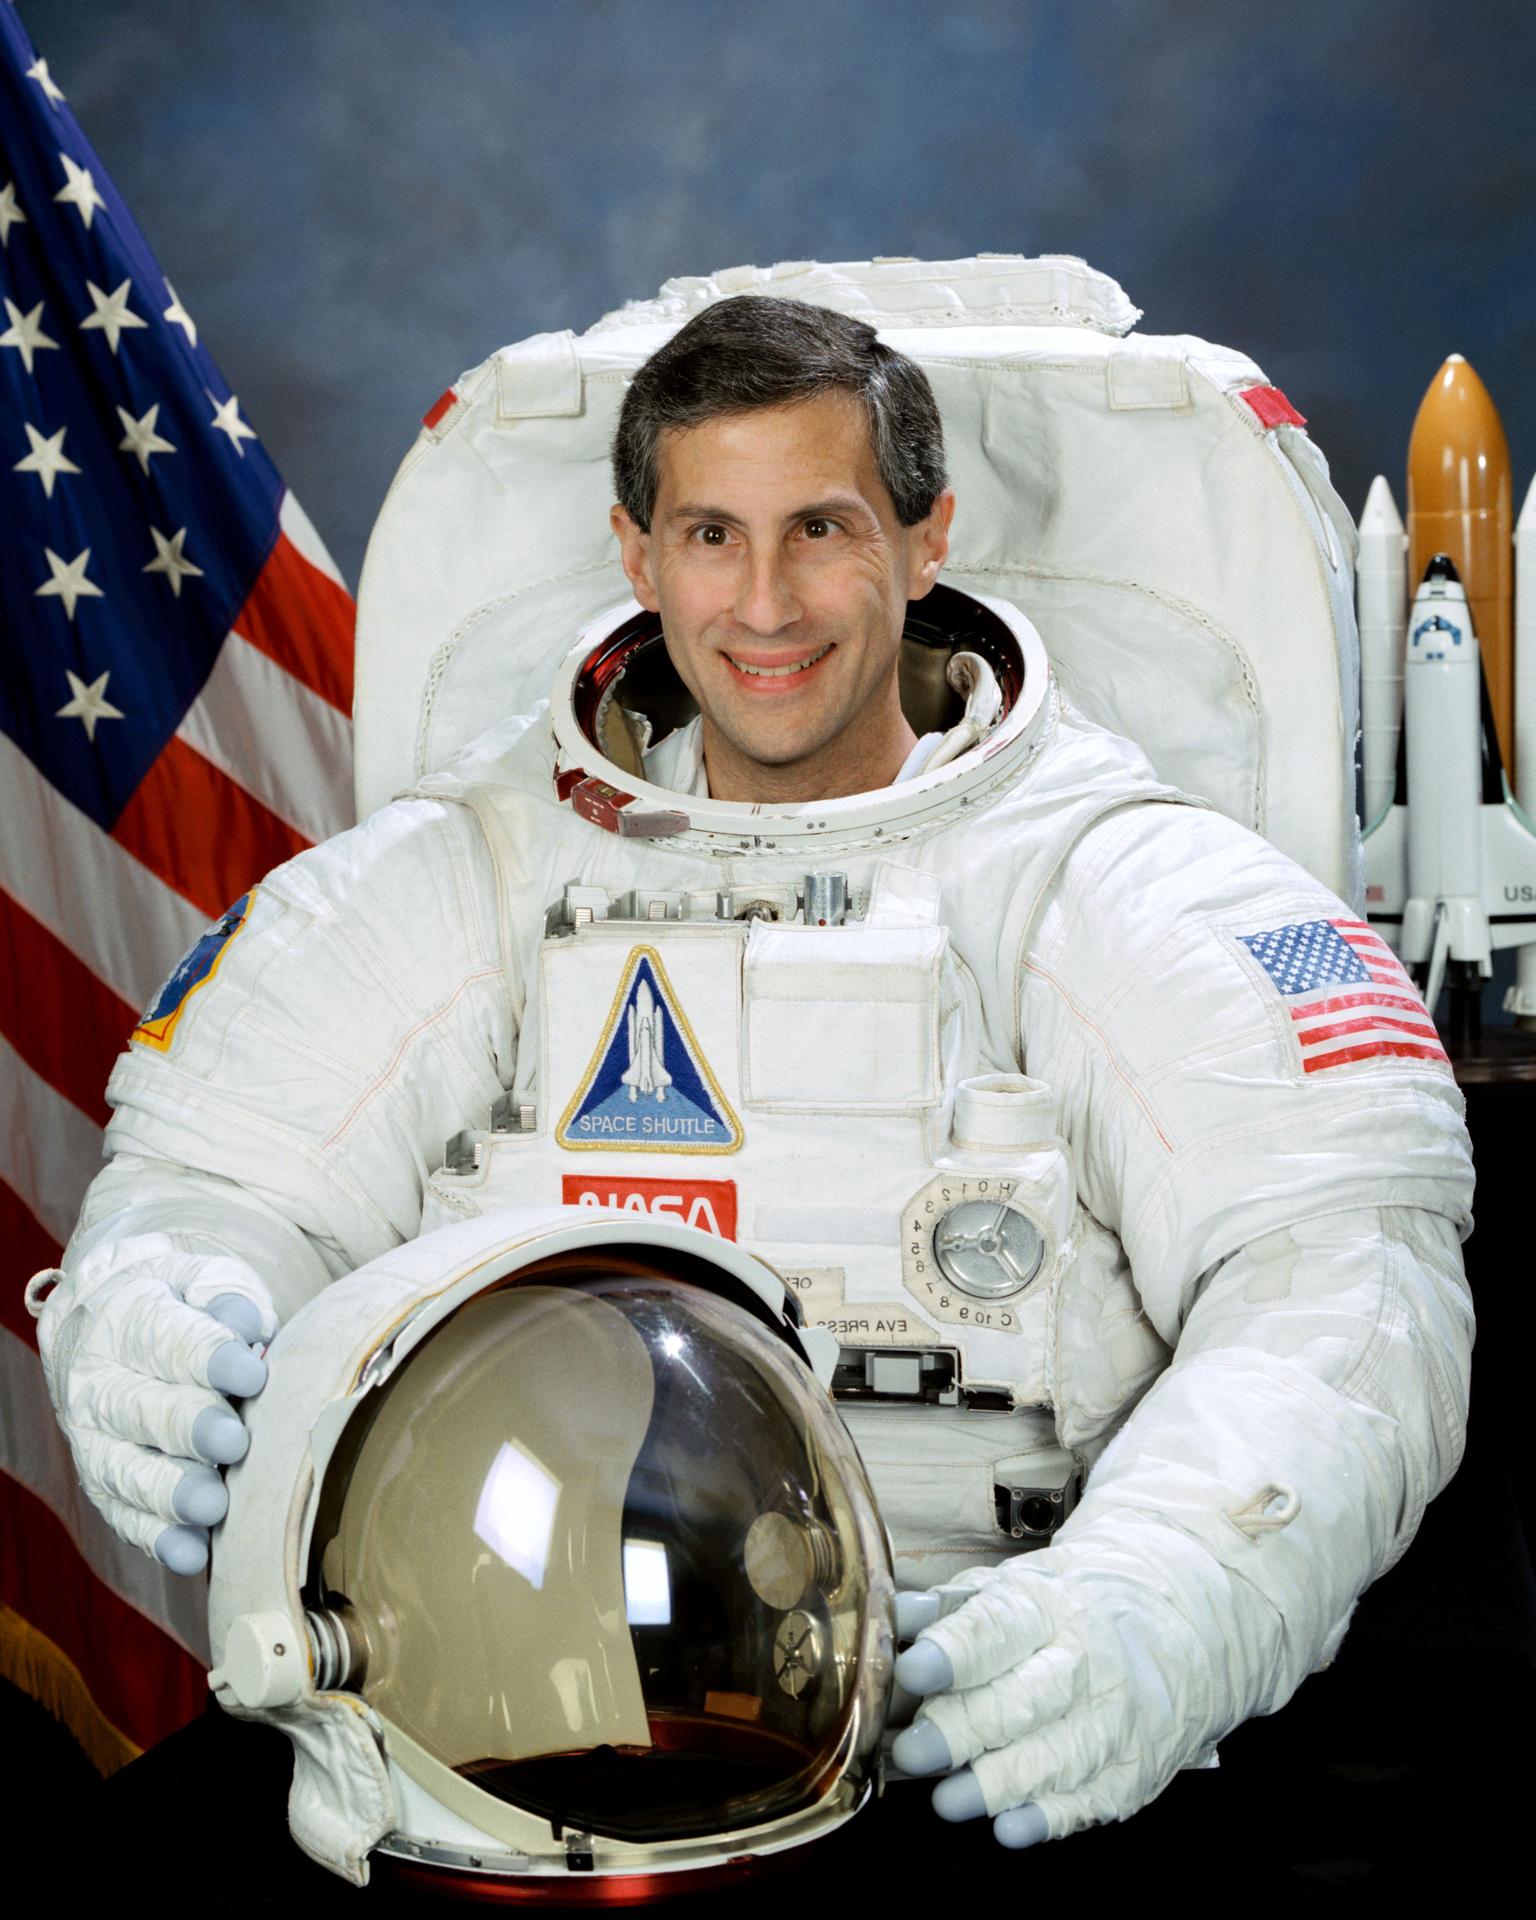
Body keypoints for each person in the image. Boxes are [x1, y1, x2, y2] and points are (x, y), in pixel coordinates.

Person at [30, 295, 1474, 1853]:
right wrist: (162, 1310)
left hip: (979, 1732)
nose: (766, 603)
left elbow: (1336, 1284)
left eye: (823, 529)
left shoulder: (1120, 886)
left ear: (928, 544)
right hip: (506, 1736)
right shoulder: (463, 876)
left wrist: (1167, 1592)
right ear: (638, 558)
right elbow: (222, 1189)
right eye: (711, 535)